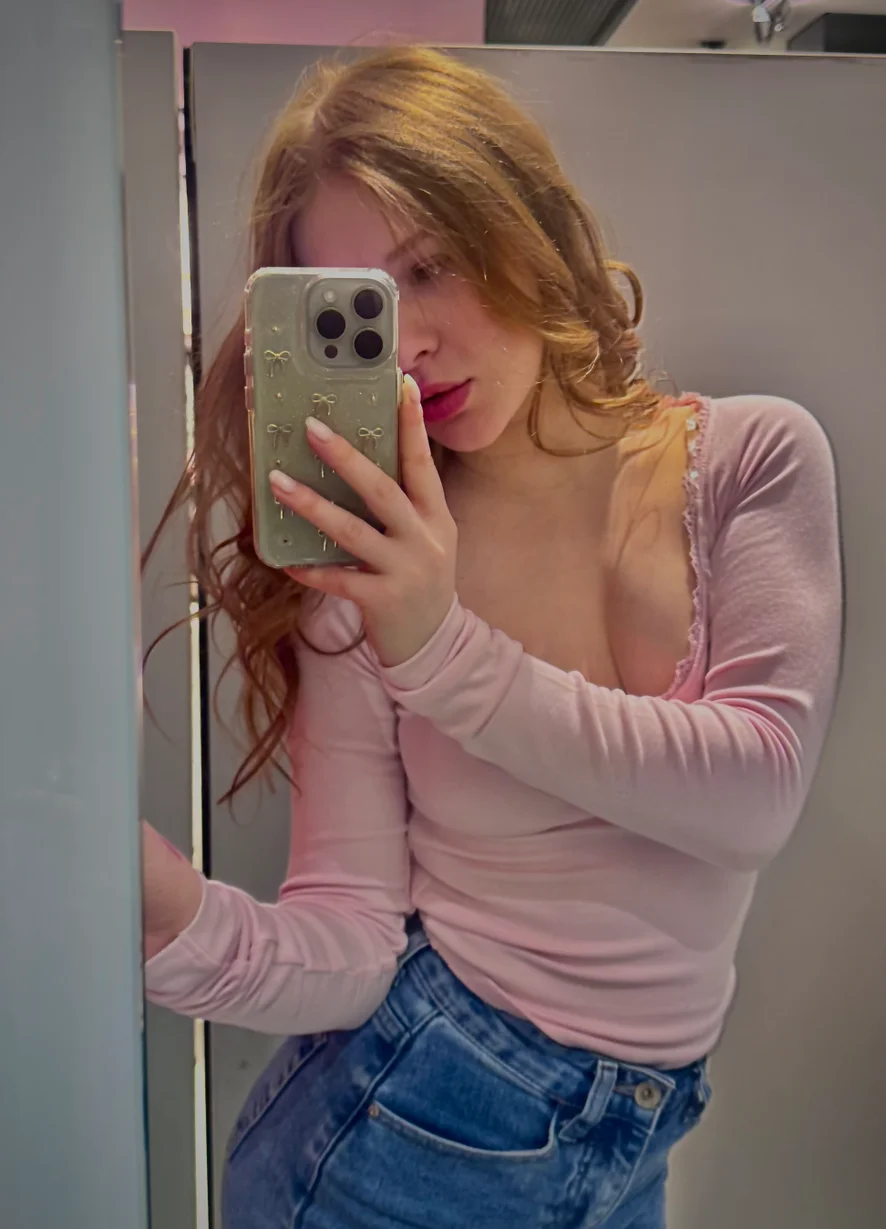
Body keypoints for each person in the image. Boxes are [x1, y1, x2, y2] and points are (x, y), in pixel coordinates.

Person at [141, 46, 842, 1229]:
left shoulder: (751, 458)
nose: (409, 344)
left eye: (430, 267)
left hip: (628, 1148)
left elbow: (753, 795)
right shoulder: (370, 566)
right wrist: (172, 921)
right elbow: (350, 943)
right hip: (395, 1131)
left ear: (524, 221)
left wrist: (440, 650)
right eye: (362, 310)